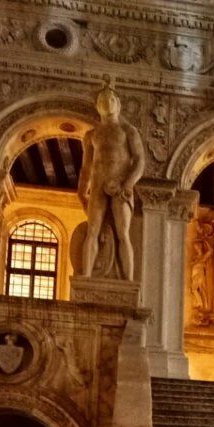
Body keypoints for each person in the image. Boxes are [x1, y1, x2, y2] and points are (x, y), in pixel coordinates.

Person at [78, 81, 145, 280]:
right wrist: (82, 190)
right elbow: (87, 166)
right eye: (103, 99)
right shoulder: (91, 135)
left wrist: (128, 184)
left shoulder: (128, 131)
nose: (107, 102)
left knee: (123, 233)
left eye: (111, 99)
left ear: (118, 104)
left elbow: (140, 161)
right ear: (98, 105)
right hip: (98, 184)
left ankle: (129, 280)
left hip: (120, 185)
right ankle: (87, 276)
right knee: (92, 230)